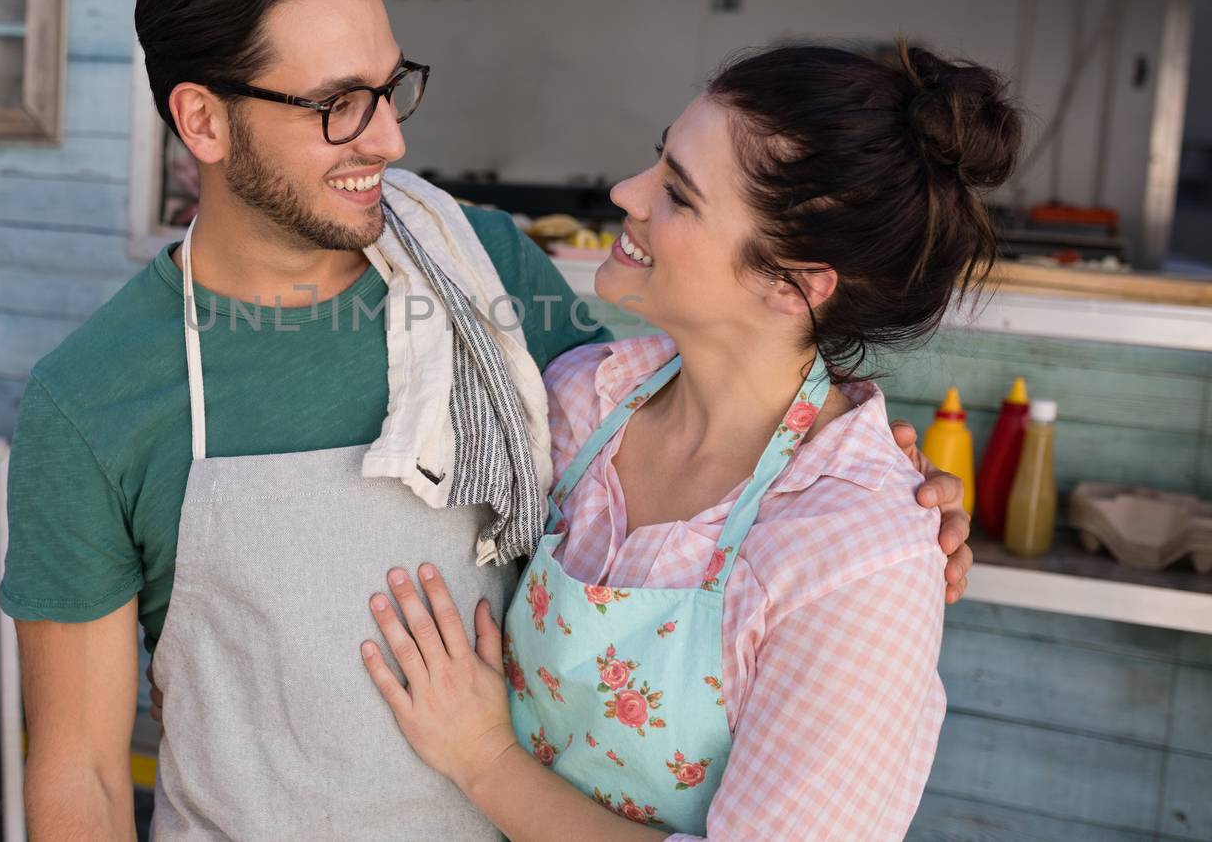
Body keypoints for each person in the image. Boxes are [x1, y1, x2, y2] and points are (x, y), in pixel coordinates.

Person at [0, 0, 974, 841]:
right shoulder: (95, 400)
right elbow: (79, 767)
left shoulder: (486, 274)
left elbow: (724, 409)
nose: (389, 138)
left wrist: (880, 492)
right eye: (339, 106)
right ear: (202, 122)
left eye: (390, 87)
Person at [358, 43, 1020, 840]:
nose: (624, 193)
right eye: (656, 159)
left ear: (794, 283)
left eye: (678, 193)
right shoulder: (579, 405)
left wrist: (486, 759)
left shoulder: (854, 554)